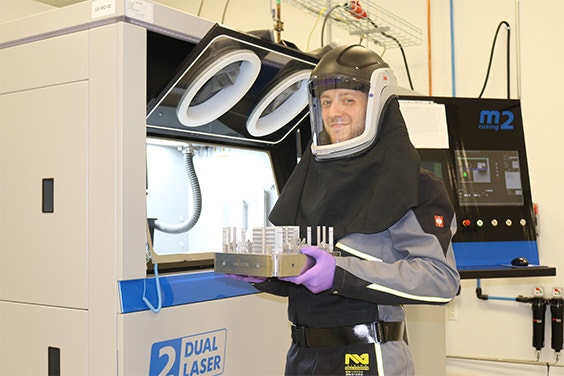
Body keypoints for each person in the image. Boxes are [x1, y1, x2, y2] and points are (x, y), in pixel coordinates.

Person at [231, 44, 460, 375]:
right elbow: (302, 276)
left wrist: (340, 272)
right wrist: (266, 273)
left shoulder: (413, 185)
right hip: (302, 357)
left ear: (377, 104)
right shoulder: (309, 180)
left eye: (347, 100)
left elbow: (440, 281)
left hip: (368, 356)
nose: (333, 111)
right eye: (326, 101)